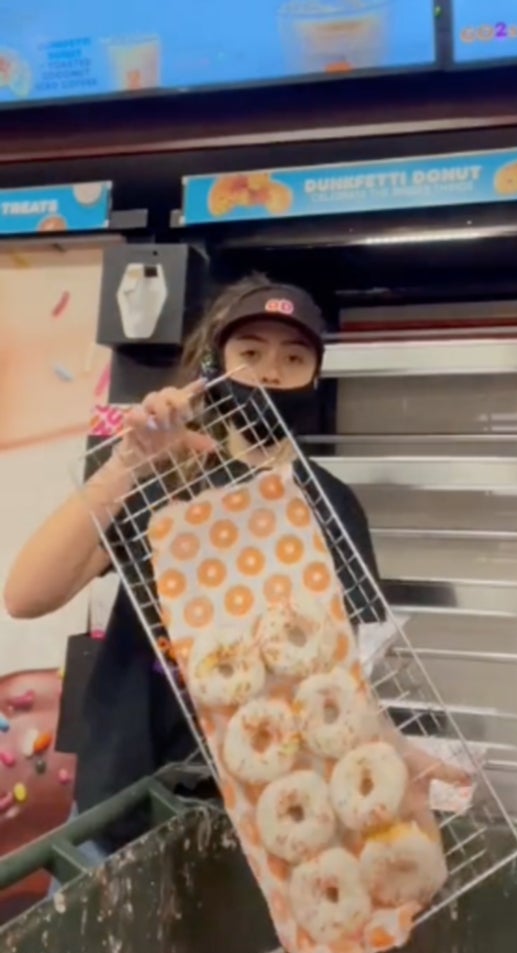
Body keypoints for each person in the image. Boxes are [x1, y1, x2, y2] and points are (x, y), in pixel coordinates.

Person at [4, 276, 385, 860]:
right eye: (250, 352)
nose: (270, 372)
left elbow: (352, 672)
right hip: (121, 808)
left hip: (263, 824)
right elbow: (26, 595)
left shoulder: (333, 505)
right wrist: (129, 462)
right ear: (214, 364)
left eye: (294, 357)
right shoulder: (163, 473)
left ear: (316, 375)